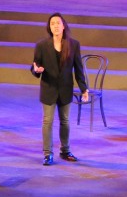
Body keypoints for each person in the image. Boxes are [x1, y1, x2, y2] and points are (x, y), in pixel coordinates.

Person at [31, 13, 89, 166]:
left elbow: (78, 69)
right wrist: (36, 70)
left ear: (64, 26)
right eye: (52, 23)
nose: (55, 26)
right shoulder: (42, 45)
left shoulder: (74, 44)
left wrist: (84, 88)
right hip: (48, 88)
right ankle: (47, 154)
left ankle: (65, 151)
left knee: (65, 121)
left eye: (58, 23)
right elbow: (35, 66)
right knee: (47, 121)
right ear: (49, 28)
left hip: (65, 89)